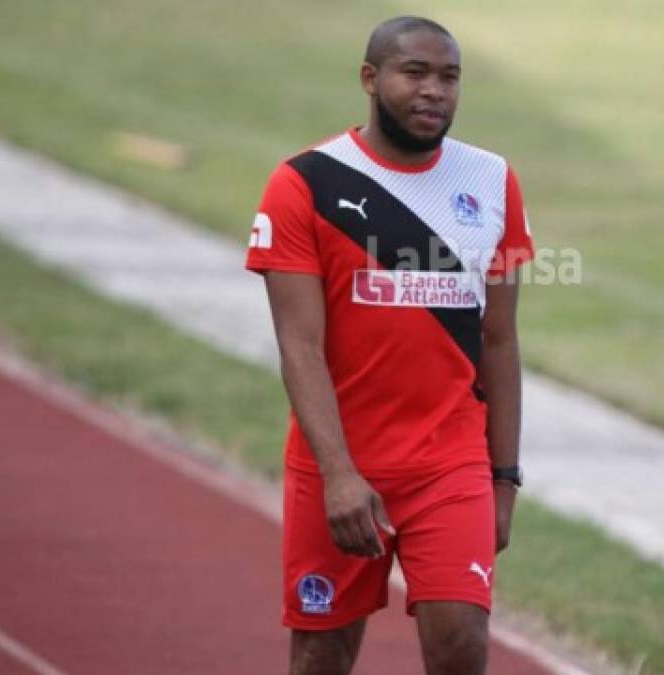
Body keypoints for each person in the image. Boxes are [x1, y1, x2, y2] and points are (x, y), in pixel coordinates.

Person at [245, 15, 535, 675]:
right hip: (338, 466)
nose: (434, 90)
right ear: (370, 80)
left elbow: (500, 339)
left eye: (449, 76)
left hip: (449, 463)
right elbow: (299, 346)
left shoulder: (492, 183)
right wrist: (341, 474)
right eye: (415, 73)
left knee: (462, 645)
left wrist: (504, 478)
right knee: (321, 655)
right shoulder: (303, 184)